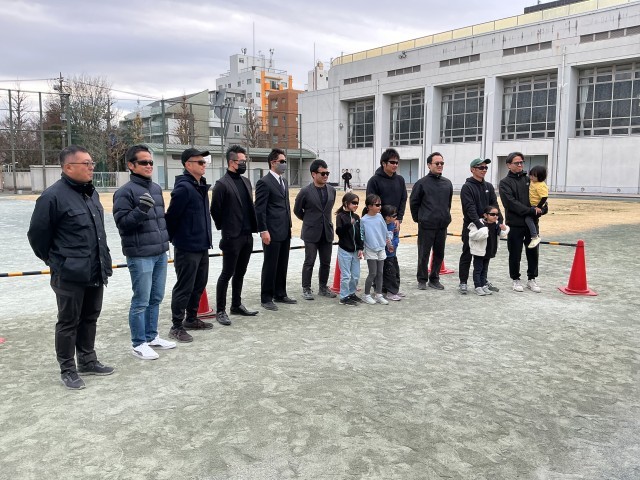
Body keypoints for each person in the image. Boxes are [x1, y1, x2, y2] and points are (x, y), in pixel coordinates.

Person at [27, 145, 114, 390]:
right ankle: (68, 369)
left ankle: (87, 360)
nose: (91, 167)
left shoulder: (91, 194)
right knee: (68, 321)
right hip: (69, 273)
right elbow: (37, 236)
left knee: (90, 316)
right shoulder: (52, 197)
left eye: (91, 163)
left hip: (95, 268)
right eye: (86, 163)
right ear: (68, 167)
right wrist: (56, 262)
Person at [113, 145, 175, 360]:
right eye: (143, 162)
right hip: (140, 255)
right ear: (131, 165)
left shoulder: (156, 188)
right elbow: (122, 224)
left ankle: (151, 336)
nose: (149, 165)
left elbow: (161, 220)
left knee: (156, 297)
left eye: (150, 162)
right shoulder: (124, 192)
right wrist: (140, 211)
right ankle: (138, 343)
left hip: (159, 252)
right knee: (141, 300)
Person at [165, 148, 214, 342]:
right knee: (184, 286)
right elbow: (171, 218)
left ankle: (191, 318)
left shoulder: (200, 186)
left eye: (204, 162)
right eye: (200, 162)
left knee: (199, 284)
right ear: (188, 165)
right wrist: (178, 239)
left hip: (202, 245)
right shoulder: (184, 188)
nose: (204, 165)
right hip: (187, 246)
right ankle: (176, 326)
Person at [210, 145, 259, 326]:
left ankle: (236, 305)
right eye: (242, 161)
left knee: (241, 272)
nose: (244, 163)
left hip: (247, 235)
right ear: (232, 162)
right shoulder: (222, 184)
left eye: (245, 160)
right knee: (227, 273)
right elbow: (215, 210)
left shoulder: (246, 181)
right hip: (232, 236)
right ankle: (221, 310)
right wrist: (227, 228)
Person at [255, 148, 297, 310]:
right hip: (271, 231)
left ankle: (280, 293)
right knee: (270, 264)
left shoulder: (283, 181)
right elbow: (260, 209)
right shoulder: (264, 182)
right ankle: (266, 297)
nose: (284, 164)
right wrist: (263, 230)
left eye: (285, 161)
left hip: (285, 229)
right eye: (282, 161)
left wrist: (289, 226)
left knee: (282, 263)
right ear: (273, 163)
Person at [499, 152, 546, 293]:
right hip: (515, 224)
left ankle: (532, 278)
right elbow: (510, 203)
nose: (520, 165)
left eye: (521, 162)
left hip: (532, 225)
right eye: (516, 163)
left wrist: (543, 209)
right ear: (508, 165)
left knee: (533, 253)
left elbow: (540, 197)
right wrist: (531, 211)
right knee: (515, 254)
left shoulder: (530, 180)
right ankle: (516, 279)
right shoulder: (505, 183)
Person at [458, 158, 502, 295]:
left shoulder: (489, 186)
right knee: (467, 254)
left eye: (485, 168)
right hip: (472, 227)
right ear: (472, 169)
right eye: (481, 167)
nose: (484, 170)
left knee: (485, 254)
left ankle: (482, 281)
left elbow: (495, 205)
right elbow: (469, 208)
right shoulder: (467, 187)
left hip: (488, 227)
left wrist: (500, 221)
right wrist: (480, 224)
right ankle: (463, 282)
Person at [293, 159, 337, 300]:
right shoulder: (305, 191)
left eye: (327, 173)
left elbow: (328, 209)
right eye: (322, 173)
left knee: (326, 262)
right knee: (309, 261)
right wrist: (309, 221)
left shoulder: (332, 190)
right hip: (311, 232)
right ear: (313, 174)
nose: (326, 176)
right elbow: (297, 210)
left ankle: (323, 288)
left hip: (327, 232)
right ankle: (306, 288)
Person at [409, 152, 453, 290]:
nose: (440, 165)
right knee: (424, 254)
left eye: (442, 163)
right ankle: (422, 279)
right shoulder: (421, 183)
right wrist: (419, 219)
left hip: (442, 225)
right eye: (437, 163)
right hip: (426, 225)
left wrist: (446, 217)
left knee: (439, 254)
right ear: (429, 165)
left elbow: (448, 203)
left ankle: (434, 279)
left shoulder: (447, 183)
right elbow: (414, 202)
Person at [468, 205, 509, 296]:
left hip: (490, 250)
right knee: (478, 269)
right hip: (479, 251)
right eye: (492, 214)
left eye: (497, 214)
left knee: (484, 269)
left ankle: (483, 285)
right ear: (485, 215)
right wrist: (483, 231)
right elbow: (472, 235)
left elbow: (502, 234)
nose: (495, 216)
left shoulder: (497, 224)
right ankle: (477, 286)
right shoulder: (478, 224)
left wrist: (504, 229)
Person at [335, 192, 365, 306]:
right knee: (346, 275)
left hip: (355, 251)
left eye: (357, 203)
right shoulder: (340, 216)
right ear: (346, 203)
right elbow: (339, 232)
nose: (356, 205)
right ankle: (343, 297)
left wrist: (360, 247)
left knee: (355, 275)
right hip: (344, 250)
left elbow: (360, 233)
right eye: (354, 203)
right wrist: (348, 224)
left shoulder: (357, 217)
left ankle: (352, 293)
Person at [366, 148, 407, 230]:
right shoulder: (374, 180)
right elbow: (371, 203)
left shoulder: (400, 180)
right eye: (392, 162)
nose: (395, 165)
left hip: (394, 222)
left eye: (397, 163)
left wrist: (398, 218)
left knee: (393, 239)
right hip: (378, 222)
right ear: (383, 163)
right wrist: (379, 219)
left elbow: (403, 199)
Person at [360, 194, 390, 305]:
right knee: (373, 273)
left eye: (380, 204)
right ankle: (366, 295)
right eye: (377, 205)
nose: (379, 207)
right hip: (370, 249)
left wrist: (388, 242)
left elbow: (385, 230)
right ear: (369, 206)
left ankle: (378, 294)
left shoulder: (380, 217)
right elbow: (362, 235)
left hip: (381, 248)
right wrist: (362, 248)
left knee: (380, 272)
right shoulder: (363, 220)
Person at [526, 165, 549, 249]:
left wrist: (539, 207)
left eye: (534, 176)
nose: (531, 177)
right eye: (530, 175)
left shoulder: (541, 185)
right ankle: (535, 235)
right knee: (531, 219)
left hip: (538, 206)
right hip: (533, 205)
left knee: (528, 218)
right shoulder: (533, 182)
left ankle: (535, 236)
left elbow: (544, 197)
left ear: (540, 176)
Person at [381, 205, 401, 301]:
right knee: (389, 273)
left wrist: (394, 244)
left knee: (395, 271)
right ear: (387, 217)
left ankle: (394, 290)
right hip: (384, 254)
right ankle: (390, 292)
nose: (396, 217)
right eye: (393, 216)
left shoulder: (394, 225)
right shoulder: (381, 226)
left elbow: (396, 236)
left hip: (392, 254)